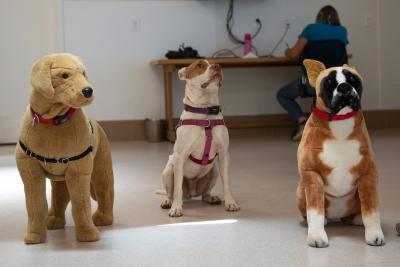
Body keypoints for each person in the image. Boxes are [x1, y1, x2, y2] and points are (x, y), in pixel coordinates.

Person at [277, 5, 349, 140]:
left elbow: (293, 54)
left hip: (313, 83)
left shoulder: (311, 29)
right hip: (336, 83)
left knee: (282, 95)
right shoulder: (342, 31)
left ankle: (303, 122)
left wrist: (287, 52)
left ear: (320, 16)